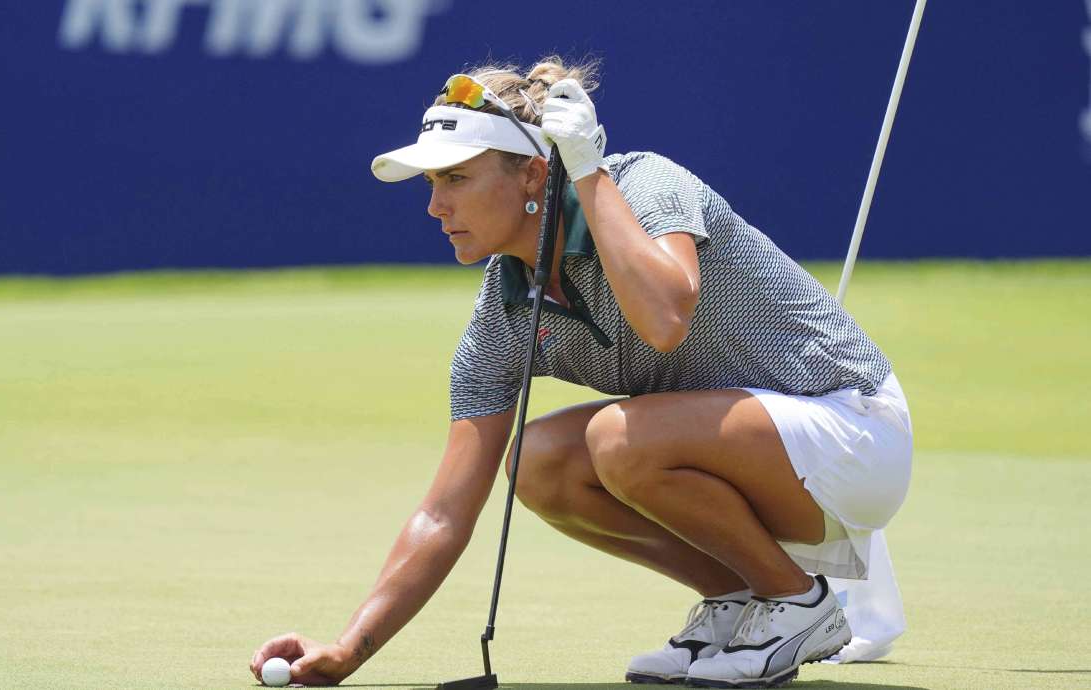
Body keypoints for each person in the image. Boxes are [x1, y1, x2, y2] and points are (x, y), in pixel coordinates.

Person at [250, 56, 913, 688]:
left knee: (616, 441)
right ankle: (741, 598)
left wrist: (589, 170)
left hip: (853, 431)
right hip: (763, 459)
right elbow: (445, 512)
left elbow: (664, 317)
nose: (435, 207)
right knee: (536, 462)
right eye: (432, 183)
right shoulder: (502, 310)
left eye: (456, 179)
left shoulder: (639, 181)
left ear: (534, 176)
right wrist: (348, 648)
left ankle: (796, 600)